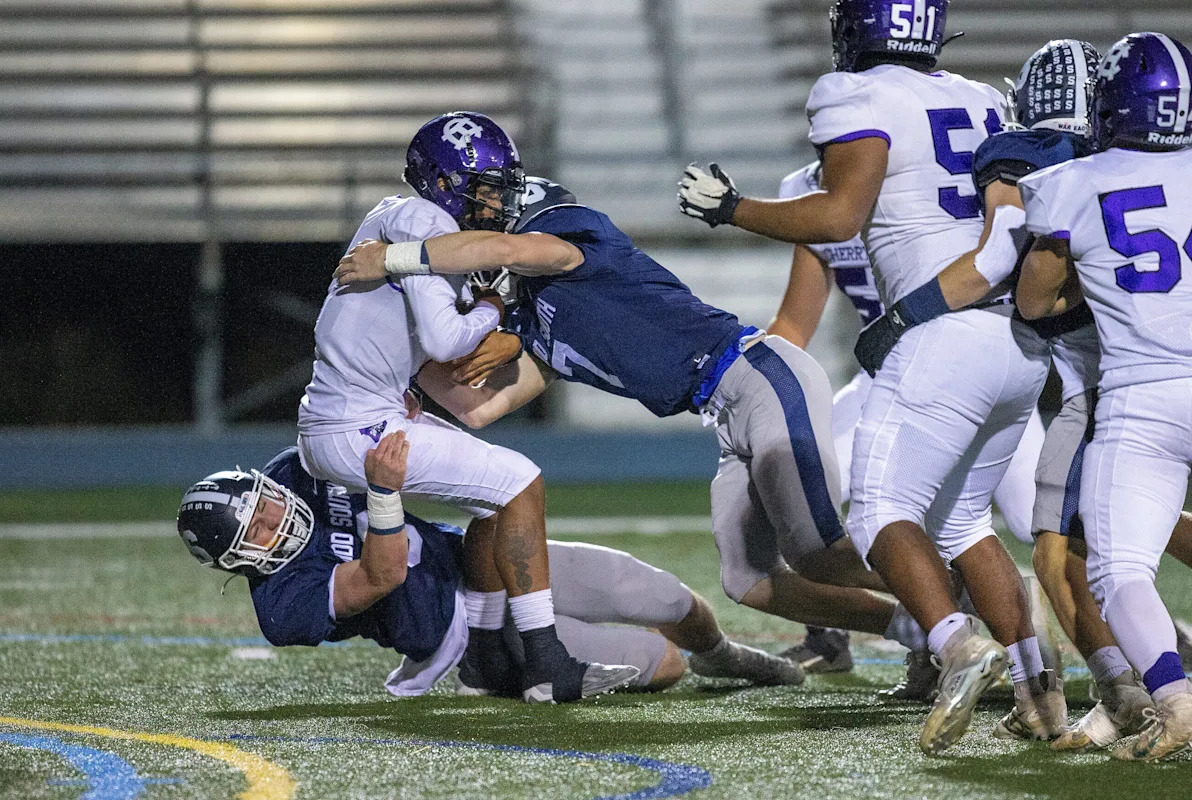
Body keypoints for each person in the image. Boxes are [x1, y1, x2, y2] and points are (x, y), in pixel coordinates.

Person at [335, 179, 937, 680]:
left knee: (817, 552)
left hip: (757, 374)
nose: (488, 217)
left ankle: (962, 602)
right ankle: (916, 627)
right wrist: (392, 369)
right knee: (749, 581)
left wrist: (396, 258)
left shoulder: (570, 235)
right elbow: (477, 409)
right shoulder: (537, 320)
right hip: (726, 410)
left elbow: (511, 248)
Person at [676, 0, 1055, 755]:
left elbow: (840, 216)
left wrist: (733, 209)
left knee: (882, 514)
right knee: (964, 525)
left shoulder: (853, 93)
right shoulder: (981, 98)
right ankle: (1038, 693)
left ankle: (952, 643)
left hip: (935, 338)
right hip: (1012, 337)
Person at [296, 111, 635, 703]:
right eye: (486, 188)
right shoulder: (425, 219)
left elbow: (449, 381)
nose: (496, 202)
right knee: (521, 481)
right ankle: (546, 662)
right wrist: (494, 309)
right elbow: (445, 340)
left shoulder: (395, 214)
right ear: (445, 184)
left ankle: (482, 657)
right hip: (360, 425)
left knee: (492, 501)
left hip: (351, 416)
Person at [176, 437, 803, 700]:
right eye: (256, 530)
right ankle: (492, 670)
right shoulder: (282, 606)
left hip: (481, 558)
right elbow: (382, 575)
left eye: (264, 503)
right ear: (238, 560)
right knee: (663, 664)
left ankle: (726, 657)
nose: (275, 518)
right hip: (454, 631)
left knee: (666, 598)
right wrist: (384, 494)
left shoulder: (296, 468)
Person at [768, 159, 1047, 688]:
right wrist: (750, 382)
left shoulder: (940, 167)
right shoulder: (808, 187)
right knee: (797, 491)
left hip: (962, 354)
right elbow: (794, 321)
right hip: (888, 373)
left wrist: (735, 209)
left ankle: (1140, 638)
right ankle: (879, 635)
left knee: (1041, 515)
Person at [1016, 31, 1192, 762]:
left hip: (1142, 395)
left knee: (1120, 572)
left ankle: (1176, 700)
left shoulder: (1072, 184)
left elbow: (1032, 302)